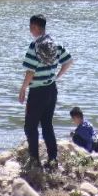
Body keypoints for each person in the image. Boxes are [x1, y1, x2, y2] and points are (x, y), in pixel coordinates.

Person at [19, 14, 73, 167]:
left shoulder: (34, 46)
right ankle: (53, 158)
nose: (30, 31)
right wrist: (56, 76)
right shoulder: (55, 44)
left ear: (36, 27)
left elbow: (30, 71)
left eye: (31, 28)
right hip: (51, 89)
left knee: (30, 126)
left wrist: (23, 88)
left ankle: (34, 159)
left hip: (37, 91)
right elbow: (69, 61)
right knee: (47, 124)